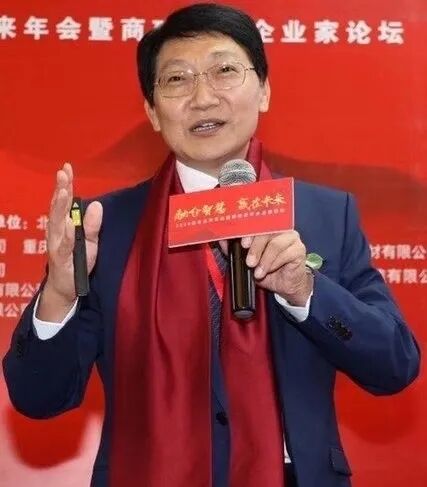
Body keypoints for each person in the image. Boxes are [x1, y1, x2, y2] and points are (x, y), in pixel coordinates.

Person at [2, 4, 420, 487]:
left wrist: (305, 290)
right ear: (152, 112)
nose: (202, 98)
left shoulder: (326, 215)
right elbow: (39, 397)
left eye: (224, 71)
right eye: (177, 80)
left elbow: (394, 365)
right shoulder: (105, 226)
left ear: (264, 90)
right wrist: (59, 294)